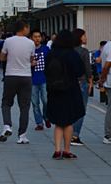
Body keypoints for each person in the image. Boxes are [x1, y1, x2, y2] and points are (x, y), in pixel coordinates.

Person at [46, 30, 85, 159]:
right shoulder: (72, 54)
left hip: (54, 90)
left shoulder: (51, 54)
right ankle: (67, 150)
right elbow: (80, 72)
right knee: (68, 122)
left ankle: (57, 150)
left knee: (58, 122)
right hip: (70, 90)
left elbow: (46, 71)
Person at [0, 19, 36, 145]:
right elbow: (32, 60)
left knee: (6, 103)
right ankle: (22, 135)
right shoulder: (31, 43)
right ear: (24, 28)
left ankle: (7, 126)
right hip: (26, 76)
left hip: (11, 76)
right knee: (24, 107)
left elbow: (2, 57)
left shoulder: (8, 41)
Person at [71, 28, 93, 146]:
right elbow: (87, 68)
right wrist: (90, 81)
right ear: (79, 37)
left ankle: (68, 133)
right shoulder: (84, 51)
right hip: (81, 82)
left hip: (70, 83)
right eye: (84, 36)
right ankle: (75, 135)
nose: (86, 38)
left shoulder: (69, 51)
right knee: (81, 110)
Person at [31, 29, 50, 131]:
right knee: (35, 103)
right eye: (35, 36)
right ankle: (39, 123)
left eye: (39, 36)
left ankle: (46, 117)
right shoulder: (29, 50)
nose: (37, 39)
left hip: (44, 79)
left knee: (46, 100)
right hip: (32, 80)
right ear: (31, 38)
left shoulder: (46, 49)